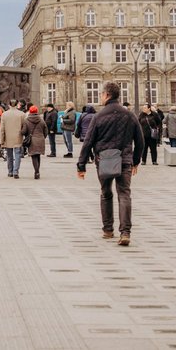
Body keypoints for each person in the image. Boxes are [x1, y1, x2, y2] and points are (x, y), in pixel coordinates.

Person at [77, 82, 144, 246]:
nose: (100, 97)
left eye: (101, 94)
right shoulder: (129, 115)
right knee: (124, 194)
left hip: (104, 160)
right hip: (124, 159)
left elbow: (88, 141)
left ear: (107, 95)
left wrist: (81, 165)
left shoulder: (98, 116)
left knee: (106, 192)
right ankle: (125, 232)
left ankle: (108, 229)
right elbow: (140, 140)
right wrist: (135, 161)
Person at [0, 100, 26, 179]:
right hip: (18, 137)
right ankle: (16, 172)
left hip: (8, 138)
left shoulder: (4, 114)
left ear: (9, 105)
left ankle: (10, 172)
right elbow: (25, 127)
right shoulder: (22, 114)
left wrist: (1, 140)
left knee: (9, 155)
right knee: (17, 155)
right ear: (17, 104)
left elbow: (2, 129)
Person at [22, 105, 48, 179]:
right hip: (40, 139)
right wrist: (43, 137)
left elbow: (24, 131)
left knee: (34, 156)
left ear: (30, 111)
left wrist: (21, 132)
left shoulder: (27, 120)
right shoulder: (41, 120)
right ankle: (37, 171)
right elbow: (46, 131)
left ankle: (36, 171)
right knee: (38, 155)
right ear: (37, 111)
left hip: (32, 140)